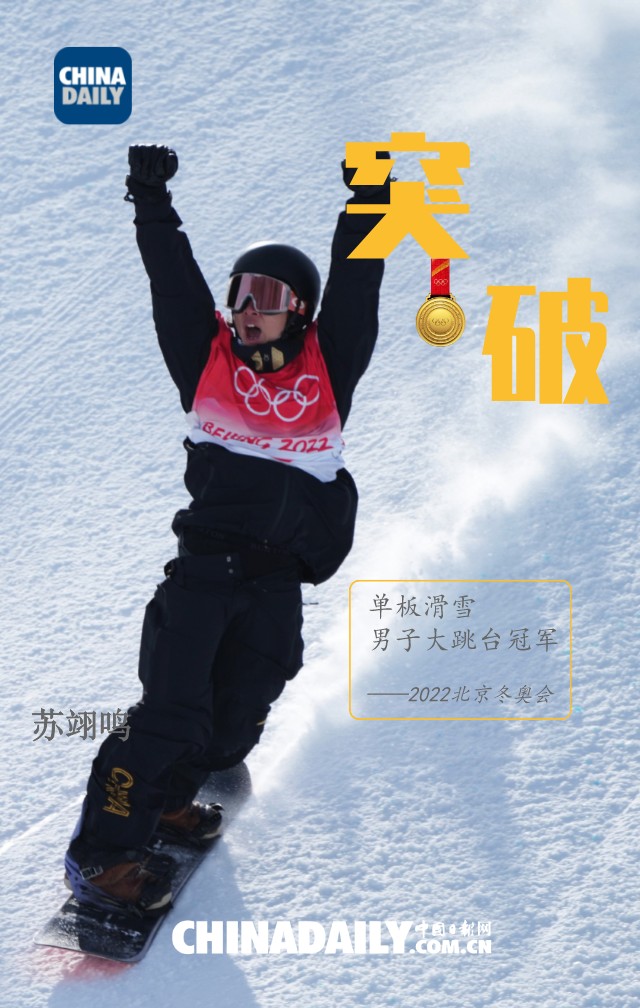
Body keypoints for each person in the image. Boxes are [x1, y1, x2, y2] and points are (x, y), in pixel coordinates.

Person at [64, 144, 389, 915]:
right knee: (169, 715)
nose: (247, 307)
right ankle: (102, 859)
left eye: (266, 296)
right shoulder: (207, 361)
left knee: (242, 707)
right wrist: (153, 205)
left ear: (300, 311)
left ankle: (172, 802)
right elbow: (173, 284)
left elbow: (358, 283)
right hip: (204, 574)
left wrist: (371, 199)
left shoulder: (328, 368)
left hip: (276, 580)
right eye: (241, 292)